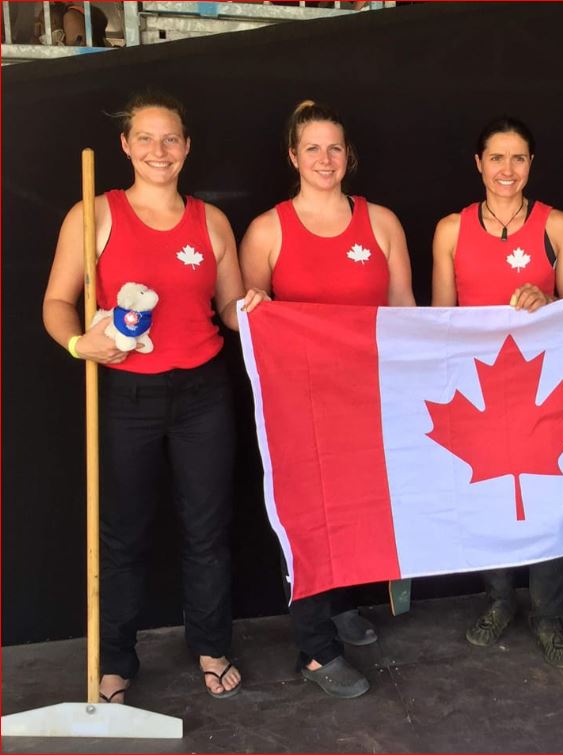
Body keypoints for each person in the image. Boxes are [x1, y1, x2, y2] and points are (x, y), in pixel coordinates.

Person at [42, 91, 253, 702]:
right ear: (125, 147)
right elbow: (57, 303)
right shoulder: (94, 214)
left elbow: (232, 311)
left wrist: (263, 311)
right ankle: (115, 660)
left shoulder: (212, 221)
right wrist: (79, 343)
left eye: (170, 139)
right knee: (122, 533)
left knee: (208, 530)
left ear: (186, 147)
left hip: (204, 392)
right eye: (145, 139)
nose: (158, 151)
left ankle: (211, 644)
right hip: (126, 393)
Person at [239, 99, 415, 698]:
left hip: (368, 398)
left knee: (356, 509)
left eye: (334, 147)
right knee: (308, 521)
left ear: (349, 156)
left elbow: (406, 314)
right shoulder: (267, 229)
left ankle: (342, 608)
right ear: (293, 155)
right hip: (301, 407)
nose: (324, 158)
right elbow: (244, 319)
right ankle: (315, 650)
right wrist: (257, 310)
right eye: (311, 147)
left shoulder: (382, 222)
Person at [431, 116, 563, 667]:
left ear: (531, 165)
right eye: (496, 158)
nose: (507, 169)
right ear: (478, 163)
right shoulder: (451, 229)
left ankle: (548, 615)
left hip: (541, 389)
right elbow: (440, 322)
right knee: (488, 500)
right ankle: (500, 601)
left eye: (518, 158)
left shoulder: (556, 226)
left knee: (548, 505)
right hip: (479, 390)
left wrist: (550, 305)